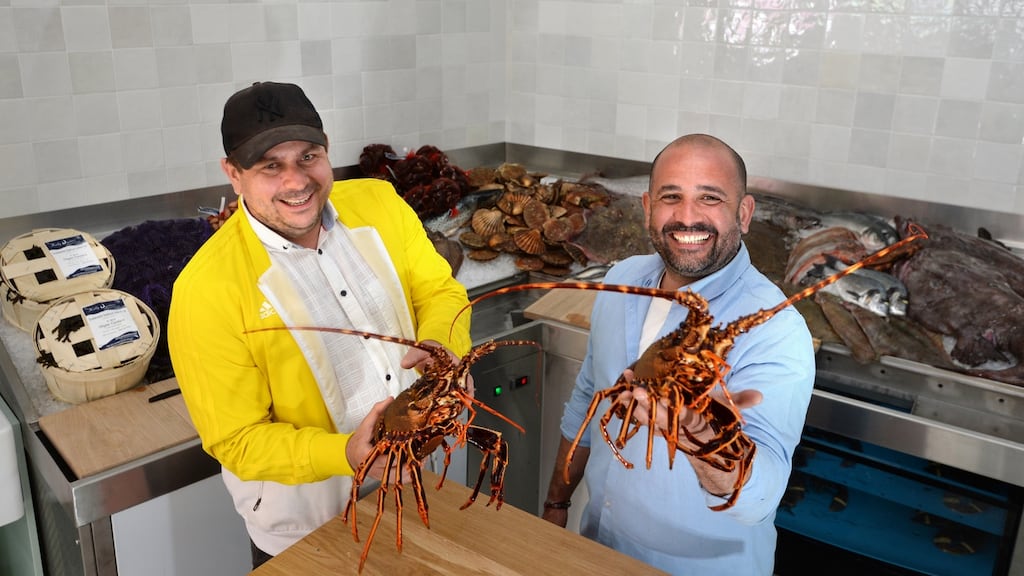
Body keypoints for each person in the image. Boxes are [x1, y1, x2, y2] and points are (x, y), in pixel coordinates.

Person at [167, 81, 472, 569]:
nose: (296, 181)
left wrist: (442, 341)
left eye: (309, 156)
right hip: (308, 524)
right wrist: (344, 453)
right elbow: (237, 440)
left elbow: (440, 291)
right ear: (233, 174)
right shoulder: (206, 289)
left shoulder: (380, 204)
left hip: (421, 480)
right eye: (271, 165)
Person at [540, 134, 815, 575]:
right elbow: (586, 406)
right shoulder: (623, 280)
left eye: (710, 198)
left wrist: (698, 433)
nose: (688, 217)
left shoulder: (776, 330)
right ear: (648, 207)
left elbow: (760, 495)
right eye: (672, 197)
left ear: (743, 214)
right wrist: (557, 502)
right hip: (597, 547)